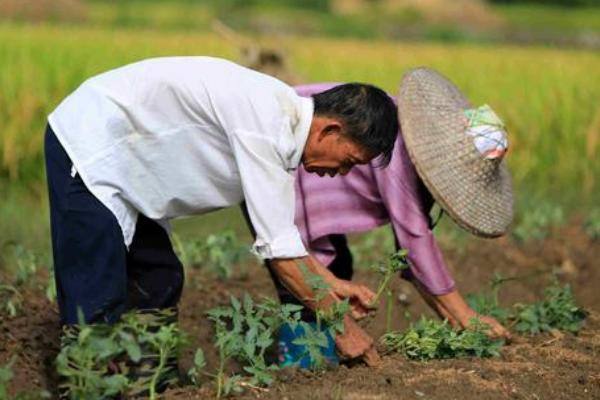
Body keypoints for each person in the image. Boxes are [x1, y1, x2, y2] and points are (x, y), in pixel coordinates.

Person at [44, 56, 398, 369]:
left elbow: (285, 237)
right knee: (95, 294)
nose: (342, 173)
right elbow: (281, 256)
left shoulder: (283, 127)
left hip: (134, 171)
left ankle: (146, 387)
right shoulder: (268, 125)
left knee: (158, 278)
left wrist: (332, 283)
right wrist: (342, 329)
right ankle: (88, 383)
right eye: (348, 161)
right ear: (330, 129)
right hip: (93, 144)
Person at [268, 68, 514, 366]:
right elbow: (414, 239)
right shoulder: (397, 148)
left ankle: (320, 355)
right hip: (280, 155)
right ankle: (299, 365)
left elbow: (412, 246)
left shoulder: (417, 135)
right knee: (305, 274)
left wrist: (453, 314)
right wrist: (463, 315)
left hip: (301, 164)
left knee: (335, 268)